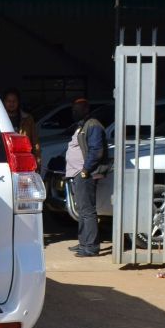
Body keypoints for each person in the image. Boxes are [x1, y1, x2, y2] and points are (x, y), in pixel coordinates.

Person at [65, 98, 110, 257]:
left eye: (77, 109)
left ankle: (91, 247)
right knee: (82, 210)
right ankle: (83, 242)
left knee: (88, 210)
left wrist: (86, 169)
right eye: (73, 109)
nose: (74, 112)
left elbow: (96, 150)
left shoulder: (93, 125)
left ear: (86, 109)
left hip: (85, 173)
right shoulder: (81, 125)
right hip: (77, 173)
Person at [2, 88, 41, 170]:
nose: (11, 103)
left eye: (14, 101)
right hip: (4, 160)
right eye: (9, 101)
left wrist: (37, 161)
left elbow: (35, 141)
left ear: (18, 102)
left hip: (23, 161)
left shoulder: (28, 119)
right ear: (4, 102)